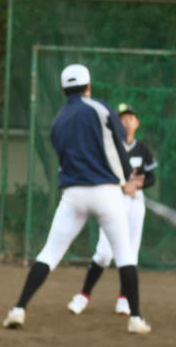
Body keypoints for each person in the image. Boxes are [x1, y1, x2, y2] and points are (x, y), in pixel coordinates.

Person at [1, 63, 150, 336]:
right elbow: (118, 143)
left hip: (73, 195)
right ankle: (136, 318)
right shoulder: (101, 108)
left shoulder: (58, 121)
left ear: (63, 89)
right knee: (125, 254)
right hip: (106, 194)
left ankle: (19, 308)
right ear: (88, 86)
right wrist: (126, 178)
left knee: (49, 254)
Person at [67, 102, 157, 317]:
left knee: (130, 253)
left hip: (135, 203)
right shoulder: (108, 149)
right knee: (105, 254)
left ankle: (124, 300)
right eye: (122, 119)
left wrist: (139, 185)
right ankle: (83, 296)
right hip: (113, 201)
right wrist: (122, 186)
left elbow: (152, 177)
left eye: (130, 118)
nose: (126, 122)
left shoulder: (143, 149)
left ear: (137, 122)